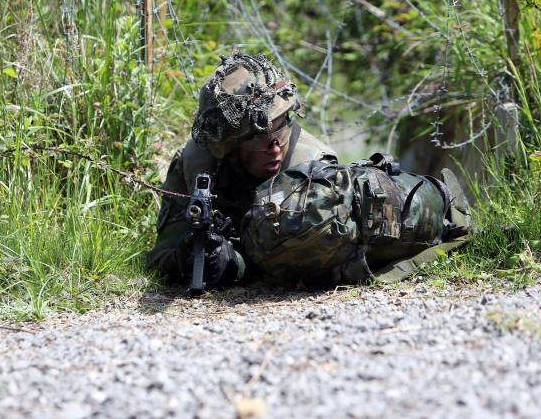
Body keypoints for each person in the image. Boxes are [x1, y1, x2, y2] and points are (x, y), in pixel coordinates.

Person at [145, 52, 471, 289]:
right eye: (260, 138)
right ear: (230, 144)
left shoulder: (309, 170)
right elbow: (161, 257)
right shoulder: (198, 164)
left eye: (282, 128)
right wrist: (188, 256)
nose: (275, 146)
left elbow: (306, 262)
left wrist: (238, 264)